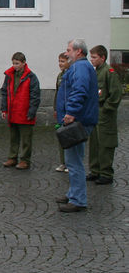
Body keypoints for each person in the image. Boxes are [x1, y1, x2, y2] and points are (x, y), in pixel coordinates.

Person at [55, 38, 99, 213]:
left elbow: (79, 91)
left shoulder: (80, 67)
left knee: (74, 162)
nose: (66, 53)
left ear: (78, 51)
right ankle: (73, 192)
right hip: (80, 119)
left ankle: (78, 199)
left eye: (69, 50)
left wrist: (71, 113)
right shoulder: (81, 67)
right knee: (72, 159)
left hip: (78, 120)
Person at [86, 45, 123, 185]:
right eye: (91, 57)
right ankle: (95, 170)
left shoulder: (109, 72)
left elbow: (115, 94)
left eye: (94, 57)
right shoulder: (96, 72)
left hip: (105, 113)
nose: (92, 60)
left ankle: (106, 173)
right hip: (95, 112)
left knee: (106, 143)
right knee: (94, 143)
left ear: (102, 57)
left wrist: (106, 109)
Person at [0, 52, 40, 170]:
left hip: (25, 111)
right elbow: (4, 92)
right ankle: (12, 157)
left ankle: (25, 159)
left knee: (26, 139)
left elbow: (35, 96)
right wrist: (4, 109)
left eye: (17, 63)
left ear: (23, 63)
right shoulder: (9, 75)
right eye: (13, 63)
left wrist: (32, 111)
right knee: (14, 137)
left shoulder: (31, 77)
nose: (15, 66)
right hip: (13, 111)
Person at [54, 52, 70, 173]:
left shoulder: (72, 75)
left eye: (63, 61)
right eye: (59, 61)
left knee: (70, 135)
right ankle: (63, 162)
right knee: (61, 135)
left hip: (69, 110)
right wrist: (55, 108)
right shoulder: (60, 76)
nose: (60, 64)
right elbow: (57, 93)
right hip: (60, 111)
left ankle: (70, 163)